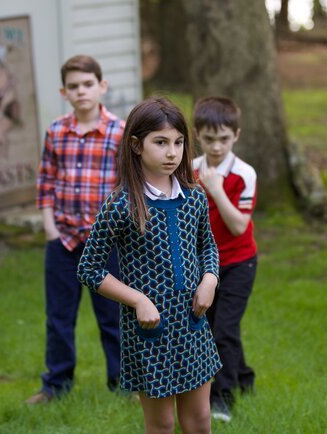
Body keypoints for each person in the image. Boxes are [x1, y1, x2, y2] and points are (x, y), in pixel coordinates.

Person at [78, 97, 221, 433]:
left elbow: (208, 245)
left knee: (199, 420)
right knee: (162, 425)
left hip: (192, 324)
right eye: (160, 142)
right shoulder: (121, 204)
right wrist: (139, 300)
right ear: (136, 145)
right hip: (149, 333)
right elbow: (90, 268)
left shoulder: (194, 196)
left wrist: (210, 280)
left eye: (179, 142)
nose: (172, 152)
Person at [26, 55, 124, 404]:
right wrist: (50, 230)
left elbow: (129, 186)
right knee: (59, 318)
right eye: (74, 86)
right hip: (64, 241)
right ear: (63, 91)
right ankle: (56, 385)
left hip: (108, 243)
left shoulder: (120, 132)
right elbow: (46, 181)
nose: (81, 92)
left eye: (87, 84)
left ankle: (124, 383)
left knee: (113, 316)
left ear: (102, 86)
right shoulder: (57, 131)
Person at [191, 96, 258, 423]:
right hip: (205, 264)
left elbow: (238, 225)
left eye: (224, 139)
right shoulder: (189, 171)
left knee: (223, 332)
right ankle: (245, 378)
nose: (216, 147)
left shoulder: (244, 174)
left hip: (239, 263)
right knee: (218, 326)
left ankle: (222, 398)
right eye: (208, 139)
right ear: (197, 137)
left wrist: (215, 189)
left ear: (236, 135)